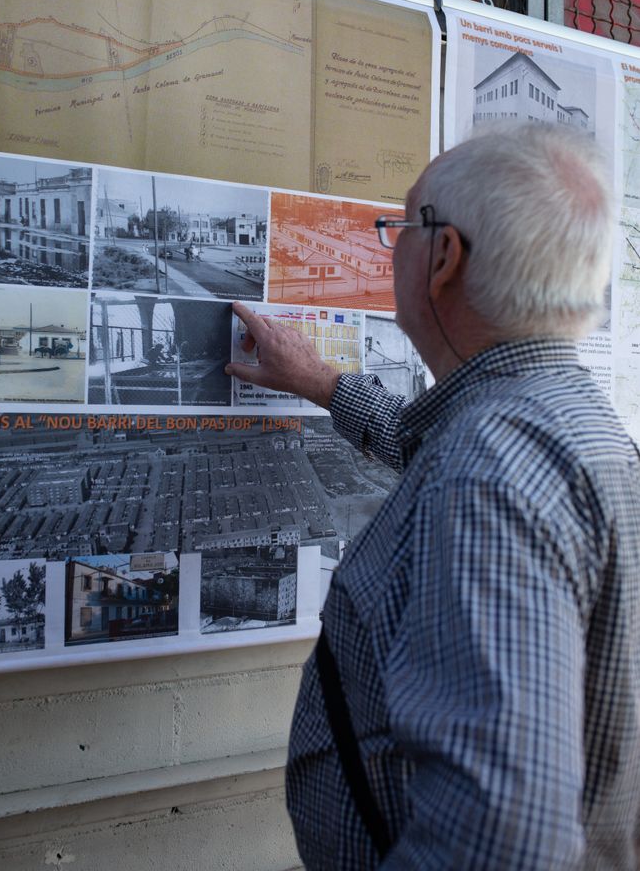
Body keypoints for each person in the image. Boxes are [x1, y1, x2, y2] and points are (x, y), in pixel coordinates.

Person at [225, 123, 640, 870]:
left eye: (401, 226)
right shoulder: (562, 418)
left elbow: (501, 840)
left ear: (443, 257)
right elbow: (436, 448)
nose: (392, 249)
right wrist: (321, 383)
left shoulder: (490, 468)